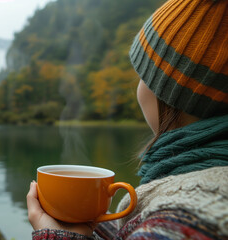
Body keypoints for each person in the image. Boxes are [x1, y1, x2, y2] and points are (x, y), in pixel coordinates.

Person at [27, 0, 228, 239]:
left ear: (169, 91)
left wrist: (56, 237)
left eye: (142, 75)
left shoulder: (180, 219)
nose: (138, 87)